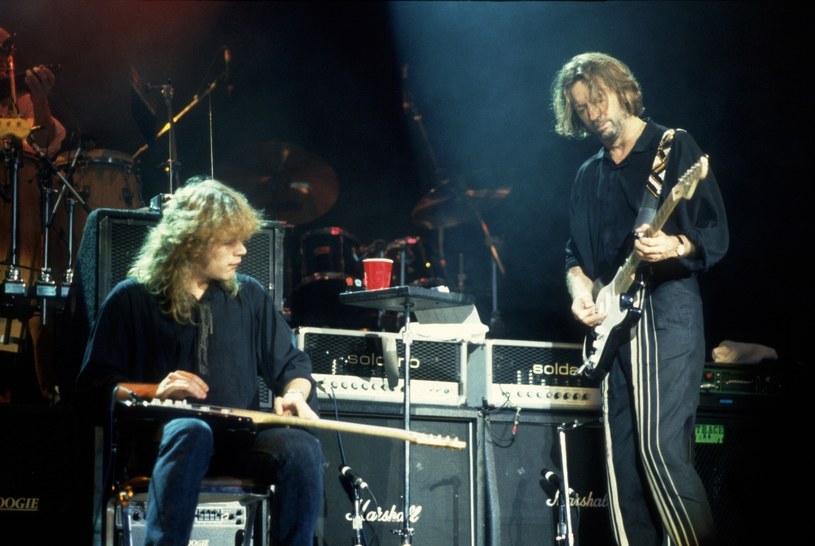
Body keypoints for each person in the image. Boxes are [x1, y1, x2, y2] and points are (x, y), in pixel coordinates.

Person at [75, 177, 324, 545]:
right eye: (229, 241)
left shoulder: (250, 297)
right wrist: (154, 390)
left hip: (239, 445)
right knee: (190, 431)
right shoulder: (131, 298)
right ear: (190, 241)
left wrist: (295, 393)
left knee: (301, 449)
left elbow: (292, 366)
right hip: (161, 445)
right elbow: (93, 387)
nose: (241, 250)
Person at [551, 52, 728, 545]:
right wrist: (580, 292)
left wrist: (675, 244)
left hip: (665, 309)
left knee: (659, 451)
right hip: (612, 322)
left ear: (621, 88)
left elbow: (713, 228)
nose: (592, 113)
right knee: (622, 464)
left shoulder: (672, 147)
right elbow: (574, 256)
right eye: (581, 107)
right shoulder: (588, 174)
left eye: (597, 99)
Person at [0, 26, 67, 403]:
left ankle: (43, 393)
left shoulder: (21, 101)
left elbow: (44, 140)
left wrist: (40, 100)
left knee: (33, 313)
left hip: (19, 235)